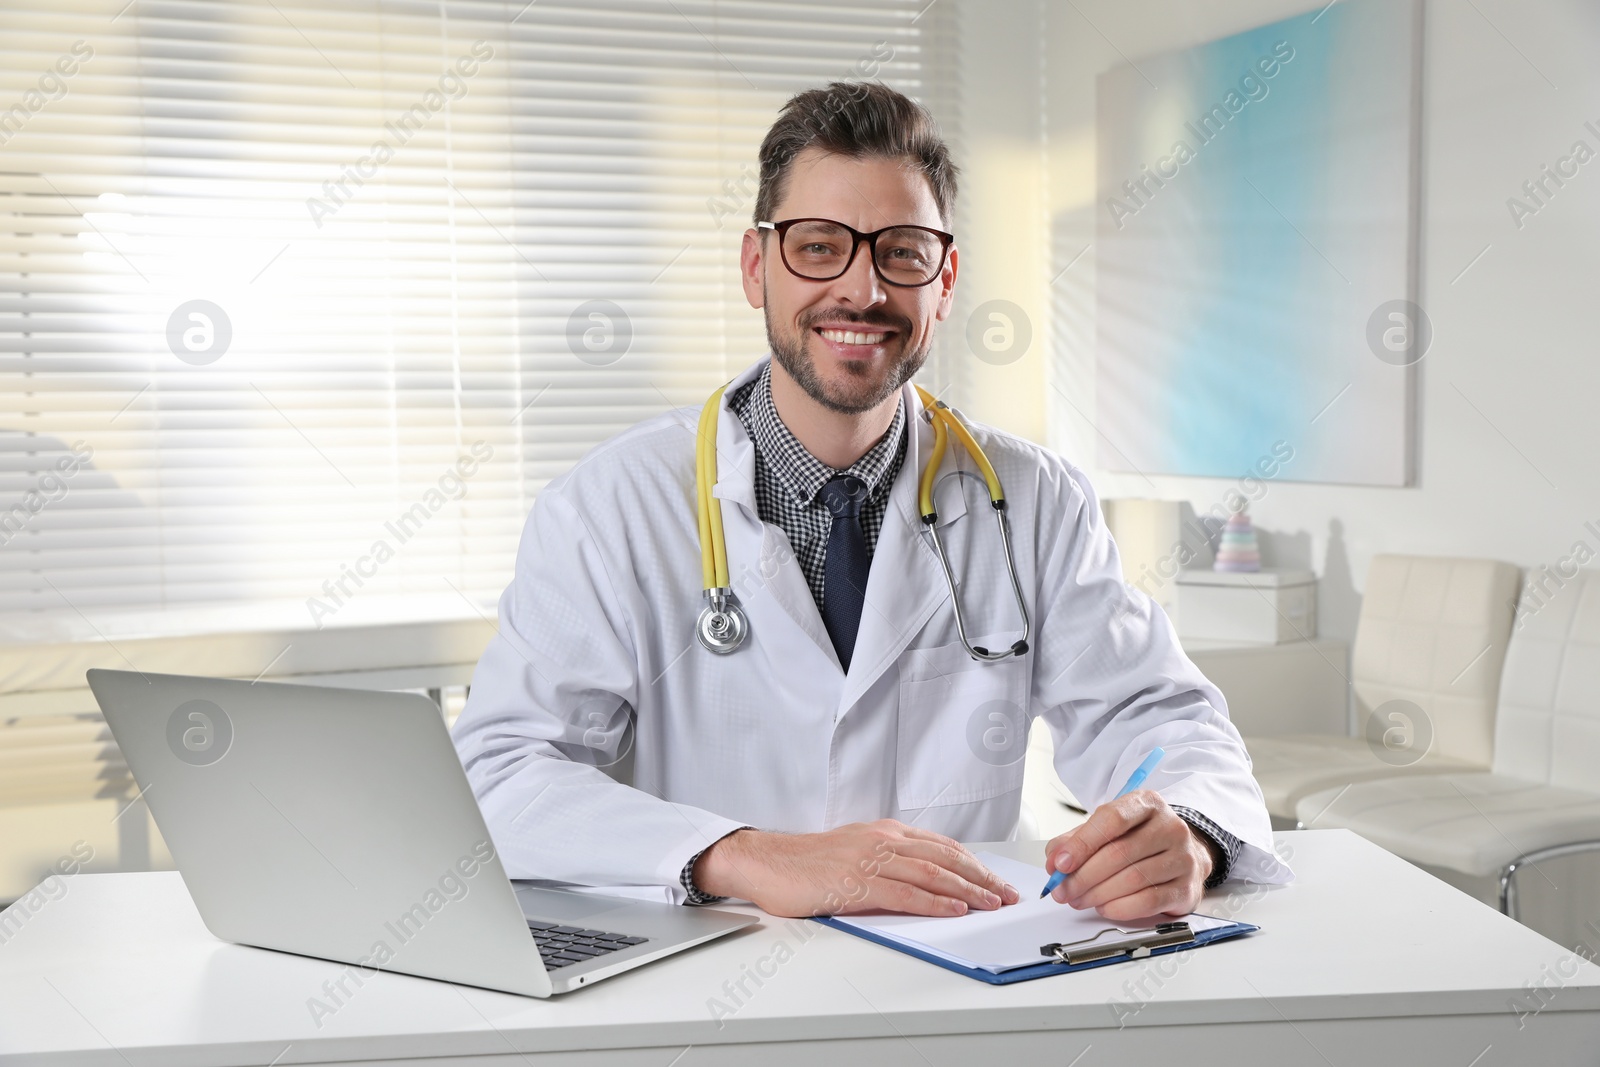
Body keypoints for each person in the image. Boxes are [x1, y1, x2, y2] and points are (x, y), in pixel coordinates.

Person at [452, 81, 1290, 923]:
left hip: (960, 985)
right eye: (819, 247)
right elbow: (502, 773)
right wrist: (744, 855)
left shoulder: (1034, 500)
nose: (863, 290)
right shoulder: (610, 506)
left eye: (903, 251)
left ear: (946, 279)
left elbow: (1156, 713)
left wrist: (1187, 829)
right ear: (756, 266)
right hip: (711, 986)